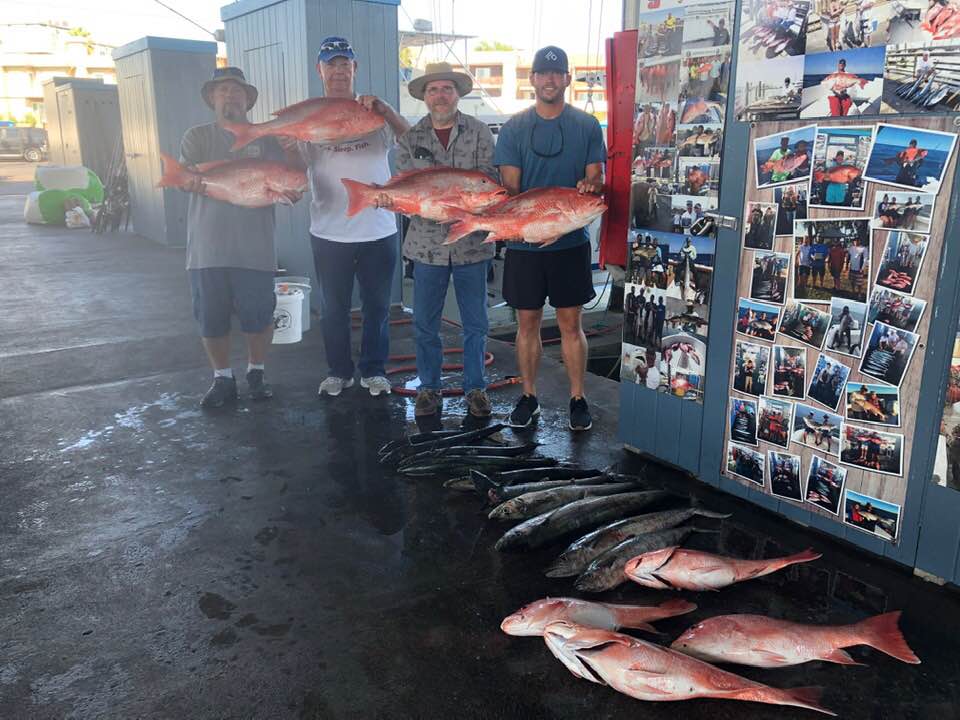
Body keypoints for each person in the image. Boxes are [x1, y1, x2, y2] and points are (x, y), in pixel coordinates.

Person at [374, 62, 498, 421]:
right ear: (425, 97)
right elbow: (402, 185)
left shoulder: (478, 132)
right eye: (433, 90)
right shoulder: (411, 139)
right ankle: (429, 387)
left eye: (446, 88)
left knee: (476, 323)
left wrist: (461, 202)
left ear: (457, 94)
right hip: (426, 246)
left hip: (472, 245)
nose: (440, 95)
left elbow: (489, 181)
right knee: (425, 323)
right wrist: (392, 199)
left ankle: (476, 387)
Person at [287, 37, 410, 399]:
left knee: (377, 307)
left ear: (354, 69)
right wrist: (290, 148)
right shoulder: (309, 116)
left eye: (345, 64)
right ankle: (338, 371)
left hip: (378, 229)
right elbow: (298, 170)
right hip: (328, 230)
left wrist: (386, 109)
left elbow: (412, 139)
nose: (338, 71)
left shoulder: (375, 114)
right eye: (331, 64)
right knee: (333, 309)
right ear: (320, 70)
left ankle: (373, 370)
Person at [494, 45, 606, 431]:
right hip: (525, 241)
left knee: (570, 324)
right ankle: (528, 396)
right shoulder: (513, 128)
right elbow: (510, 188)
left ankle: (578, 398)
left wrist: (590, 186)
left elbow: (596, 178)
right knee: (527, 323)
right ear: (533, 80)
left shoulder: (588, 125)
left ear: (567, 79)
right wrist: (532, 220)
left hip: (570, 242)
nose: (549, 79)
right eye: (543, 73)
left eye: (557, 74)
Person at [179, 67, 303, 408]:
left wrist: (292, 150)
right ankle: (222, 379)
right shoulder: (197, 136)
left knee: (259, 315)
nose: (229, 96)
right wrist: (187, 180)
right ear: (211, 98)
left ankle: (256, 371)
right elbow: (185, 175)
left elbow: (293, 180)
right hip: (208, 248)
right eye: (222, 91)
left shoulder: (267, 139)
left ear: (248, 99)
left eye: (236, 91)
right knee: (211, 317)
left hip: (256, 247)